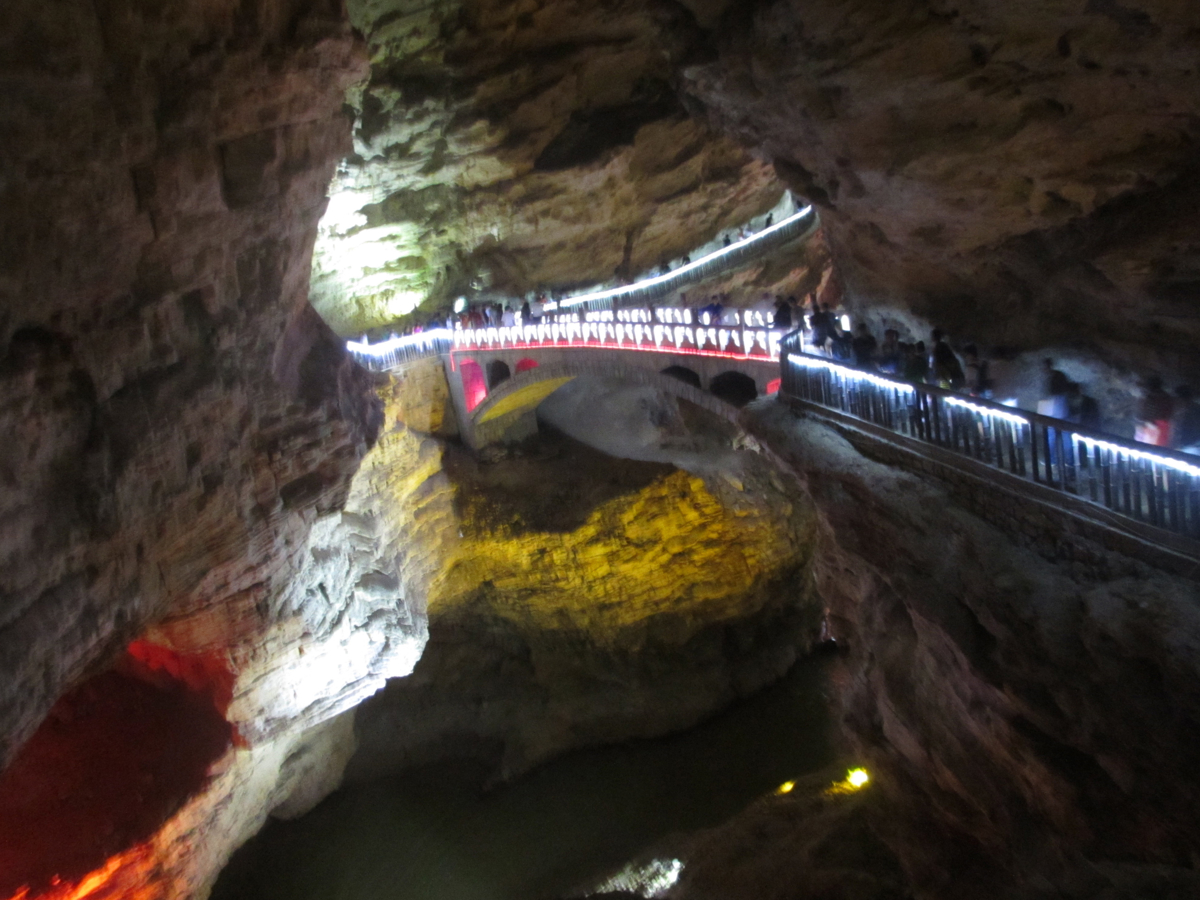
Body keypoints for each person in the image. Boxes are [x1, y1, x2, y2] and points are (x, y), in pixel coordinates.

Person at [1135, 376, 1174, 446]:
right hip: (1160, 428)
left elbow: (1140, 416)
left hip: (1152, 428)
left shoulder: (1146, 397)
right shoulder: (1167, 398)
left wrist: (1147, 423)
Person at [1172, 385, 1200, 454]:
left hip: (1191, 446)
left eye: (1177, 398)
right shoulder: (1192, 408)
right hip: (1188, 445)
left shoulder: (1193, 410)